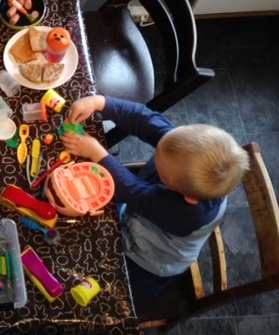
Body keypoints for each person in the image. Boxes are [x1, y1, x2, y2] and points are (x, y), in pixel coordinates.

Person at [60, 94, 249, 309]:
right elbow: (143, 118)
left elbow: (133, 193)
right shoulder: (182, 148)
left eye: (161, 166)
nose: (157, 150)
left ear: (187, 197)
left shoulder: (186, 214)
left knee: (118, 291)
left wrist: (97, 152)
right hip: (138, 214)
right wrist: (99, 103)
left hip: (153, 260)